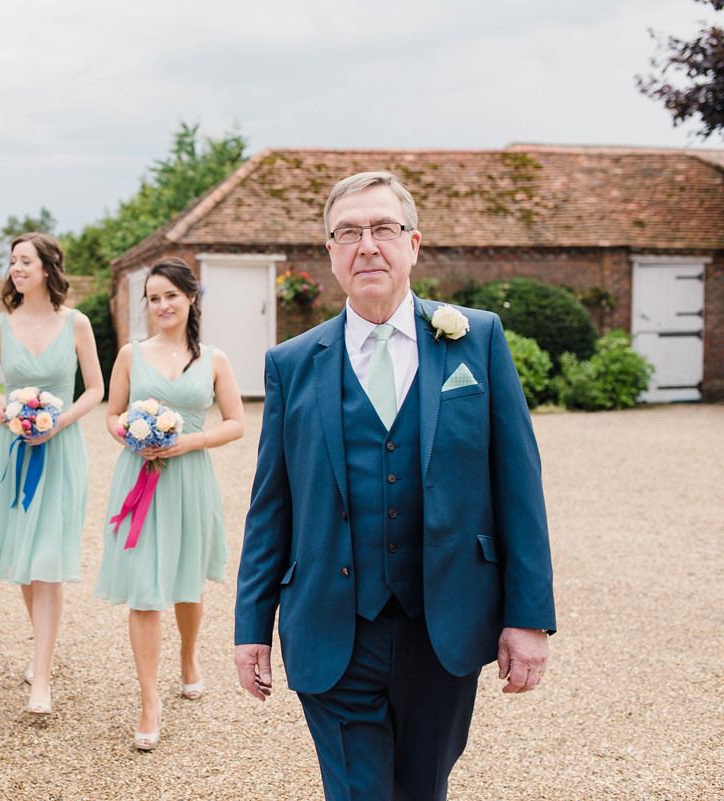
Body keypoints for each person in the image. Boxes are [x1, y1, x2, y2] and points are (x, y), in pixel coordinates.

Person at [233, 172, 556, 801]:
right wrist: (252, 625)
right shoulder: (292, 364)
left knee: (423, 789)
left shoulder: (477, 340)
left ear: (413, 244)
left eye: (382, 228)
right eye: (348, 232)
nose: (367, 245)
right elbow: (272, 506)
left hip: (445, 626)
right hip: (331, 625)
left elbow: (519, 485)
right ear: (331, 252)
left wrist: (529, 617)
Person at [0, 233, 103, 716]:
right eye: (12, 261)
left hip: (61, 451)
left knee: (47, 558)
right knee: (22, 558)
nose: (16, 268)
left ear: (48, 268)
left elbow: (94, 389)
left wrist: (57, 422)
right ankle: (43, 650)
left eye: (25, 261)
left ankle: (42, 676)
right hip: (10, 448)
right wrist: (12, 418)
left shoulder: (76, 323)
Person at [95, 258, 243, 751]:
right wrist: (132, 436)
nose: (161, 306)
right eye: (153, 298)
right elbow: (113, 414)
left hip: (188, 478)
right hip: (139, 475)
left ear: (191, 298)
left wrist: (185, 442)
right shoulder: (131, 355)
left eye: (170, 296)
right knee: (144, 586)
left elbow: (235, 423)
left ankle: (188, 656)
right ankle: (149, 698)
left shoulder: (215, 359)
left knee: (185, 579)